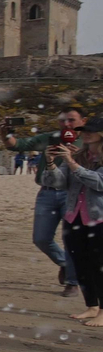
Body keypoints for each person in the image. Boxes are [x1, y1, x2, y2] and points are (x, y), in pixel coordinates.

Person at [6, 107, 86, 296]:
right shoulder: (51, 138)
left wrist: (77, 157)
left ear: (83, 120)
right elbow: (16, 144)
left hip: (74, 194)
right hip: (47, 193)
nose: (66, 124)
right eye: (62, 120)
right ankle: (65, 264)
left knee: (71, 239)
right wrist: (6, 132)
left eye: (71, 120)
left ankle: (72, 282)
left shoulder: (90, 140)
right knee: (41, 239)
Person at [53, 117, 103, 324]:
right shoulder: (80, 155)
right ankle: (92, 306)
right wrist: (50, 163)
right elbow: (57, 183)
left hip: (98, 219)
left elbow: (99, 183)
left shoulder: (79, 159)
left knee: (99, 266)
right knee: (81, 265)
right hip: (74, 216)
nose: (86, 133)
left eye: (91, 130)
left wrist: (72, 163)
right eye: (84, 130)